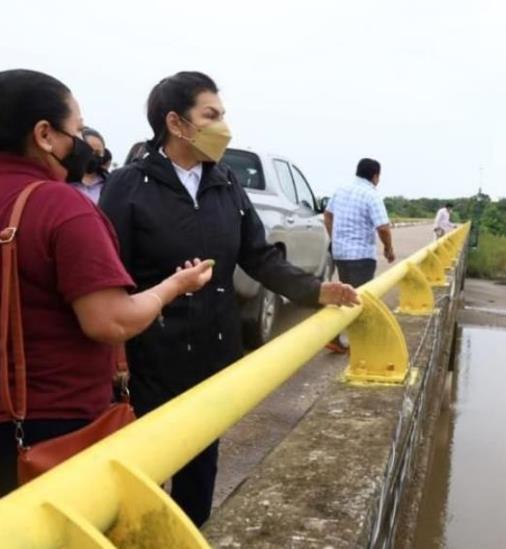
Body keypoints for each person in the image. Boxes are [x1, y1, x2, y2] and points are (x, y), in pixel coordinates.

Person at [99, 71, 359, 526]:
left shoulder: (226, 184)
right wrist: (117, 354)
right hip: (150, 356)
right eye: (212, 115)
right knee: (142, 475)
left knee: (201, 471)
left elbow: (259, 257)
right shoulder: (128, 185)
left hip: (213, 353)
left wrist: (316, 291)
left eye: (224, 114)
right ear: (177, 123)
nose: (225, 126)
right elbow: (111, 274)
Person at [0, 69, 214, 496]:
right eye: (75, 130)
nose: (82, 145)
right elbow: (110, 321)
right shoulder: (60, 206)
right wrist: (175, 285)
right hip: (50, 426)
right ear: (44, 134)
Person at [323, 158, 394, 353]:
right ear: (375, 175)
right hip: (361, 256)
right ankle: (361, 346)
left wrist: (335, 237)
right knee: (359, 300)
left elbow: (327, 216)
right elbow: (383, 228)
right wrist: (388, 248)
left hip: (340, 254)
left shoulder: (341, 189)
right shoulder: (371, 194)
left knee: (345, 295)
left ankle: (334, 337)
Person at [69, 126, 108, 204]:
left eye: (98, 153)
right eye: (89, 150)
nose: (93, 156)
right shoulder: (63, 178)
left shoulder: (108, 184)